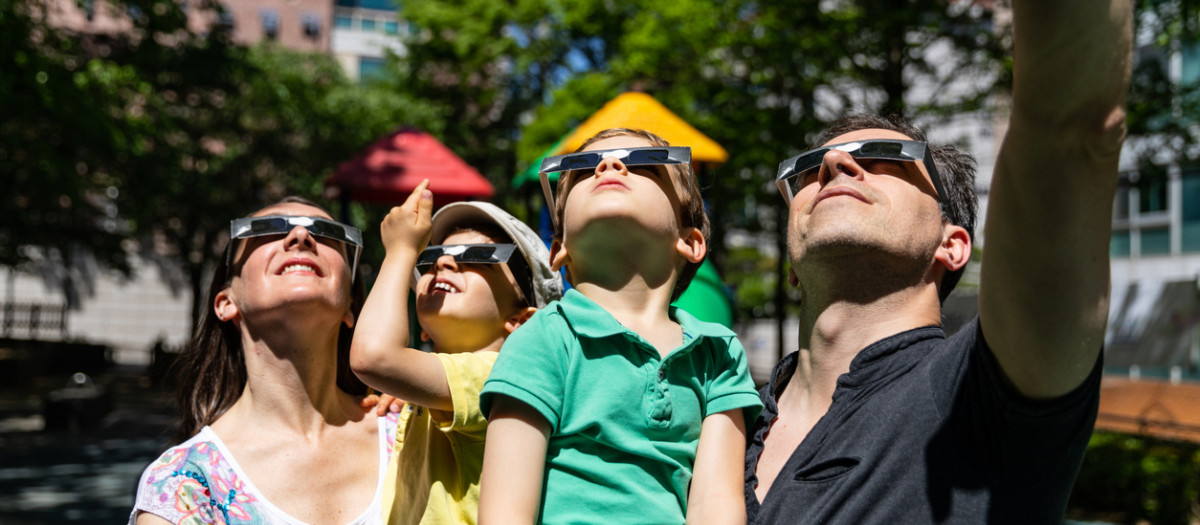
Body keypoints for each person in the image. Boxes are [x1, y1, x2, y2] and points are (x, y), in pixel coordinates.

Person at [744, 1, 1133, 522]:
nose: (836, 163)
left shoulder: (982, 396)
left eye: (885, 156)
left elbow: (1074, 134)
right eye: (810, 166)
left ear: (952, 245)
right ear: (792, 265)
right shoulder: (723, 418)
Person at [478, 128, 763, 524]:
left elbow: (715, 502)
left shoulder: (718, 351)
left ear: (690, 240)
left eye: (642, 164)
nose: (608, 165)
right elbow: (505, 513)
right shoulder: (544, 338)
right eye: (579, 168)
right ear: (557, 248)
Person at [130, 197, 397, 524]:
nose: (300, 235)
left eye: (327, 233)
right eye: (266, 230)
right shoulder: (183, 488)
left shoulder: (413, 433)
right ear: (226, 302)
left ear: (350, 307)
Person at [349, 180, 563, 525]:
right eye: (429, 257)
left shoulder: (504, 376)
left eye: (478, 257)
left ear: (520, 322)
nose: (444, 262)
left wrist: (402, 251)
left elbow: (373, 356)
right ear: (423, 330)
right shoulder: (436, 394)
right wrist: (408, 388)